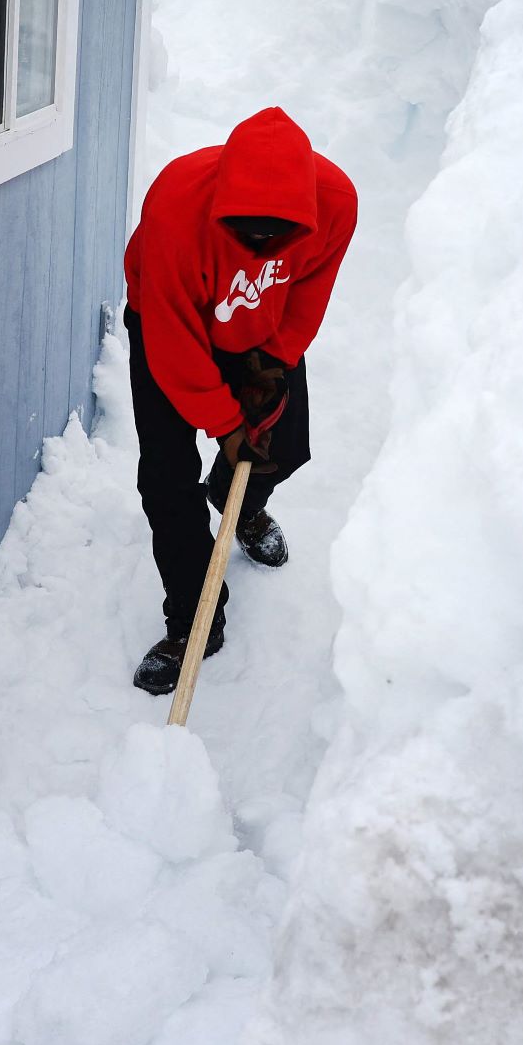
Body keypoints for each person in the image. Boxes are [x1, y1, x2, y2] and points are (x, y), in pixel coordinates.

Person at [123, 106, 356, 695]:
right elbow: (171, 343)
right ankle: (193, 622)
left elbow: (307, 295)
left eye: (276, 233)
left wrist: (270, 368)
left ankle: (238, 505)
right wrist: (228, 424)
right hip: (171, 324)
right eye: (246, 228)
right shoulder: (176, 202)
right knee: (166, 481)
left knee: (284, 446)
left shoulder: (337, 202)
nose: (260, 243)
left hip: (259, 331)